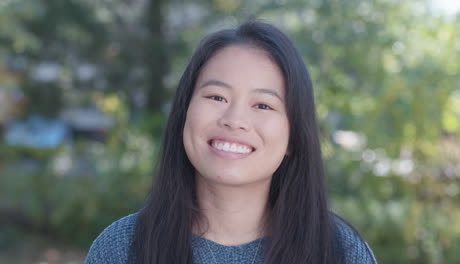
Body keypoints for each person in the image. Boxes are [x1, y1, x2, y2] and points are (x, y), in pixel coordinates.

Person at [85, 21, 377, 264]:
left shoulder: (340, 251)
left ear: (293, 136)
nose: (234, 119)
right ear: (184, 114)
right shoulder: (122, 248)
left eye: (262, 105)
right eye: (216, 97)